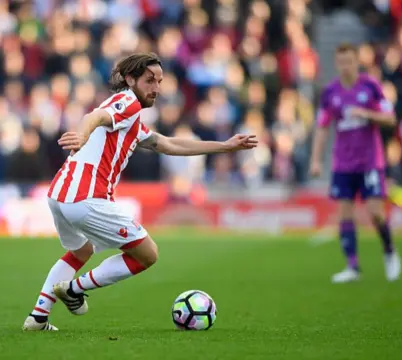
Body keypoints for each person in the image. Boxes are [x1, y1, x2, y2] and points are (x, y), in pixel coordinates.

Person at [22, 53, 258, 331]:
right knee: (147, 254)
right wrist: (83, 135)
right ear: (130, 79)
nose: (156, 87)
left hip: (60, 195)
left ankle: (38, 317)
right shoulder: (127, 102)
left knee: (81, 251)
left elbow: (167, 144)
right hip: (86, 196)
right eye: (149, 80)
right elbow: (94, 116)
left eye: (159, 80)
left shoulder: (129, 120)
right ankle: (74, 290)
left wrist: (224, 146)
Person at [310, 43, 401, 284]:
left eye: (349, 61)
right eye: (341, 62)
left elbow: (390, 118)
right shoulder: (330, 92)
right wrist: (316, 159)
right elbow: (322, 127)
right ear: (336, 64)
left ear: (357, 62)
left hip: (370, 161)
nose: (345, 66)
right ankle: (352, 266)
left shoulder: (370, 86)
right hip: (343, 162)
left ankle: (389, 250)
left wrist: (366, 114)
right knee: (345, 214)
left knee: (375, 213)